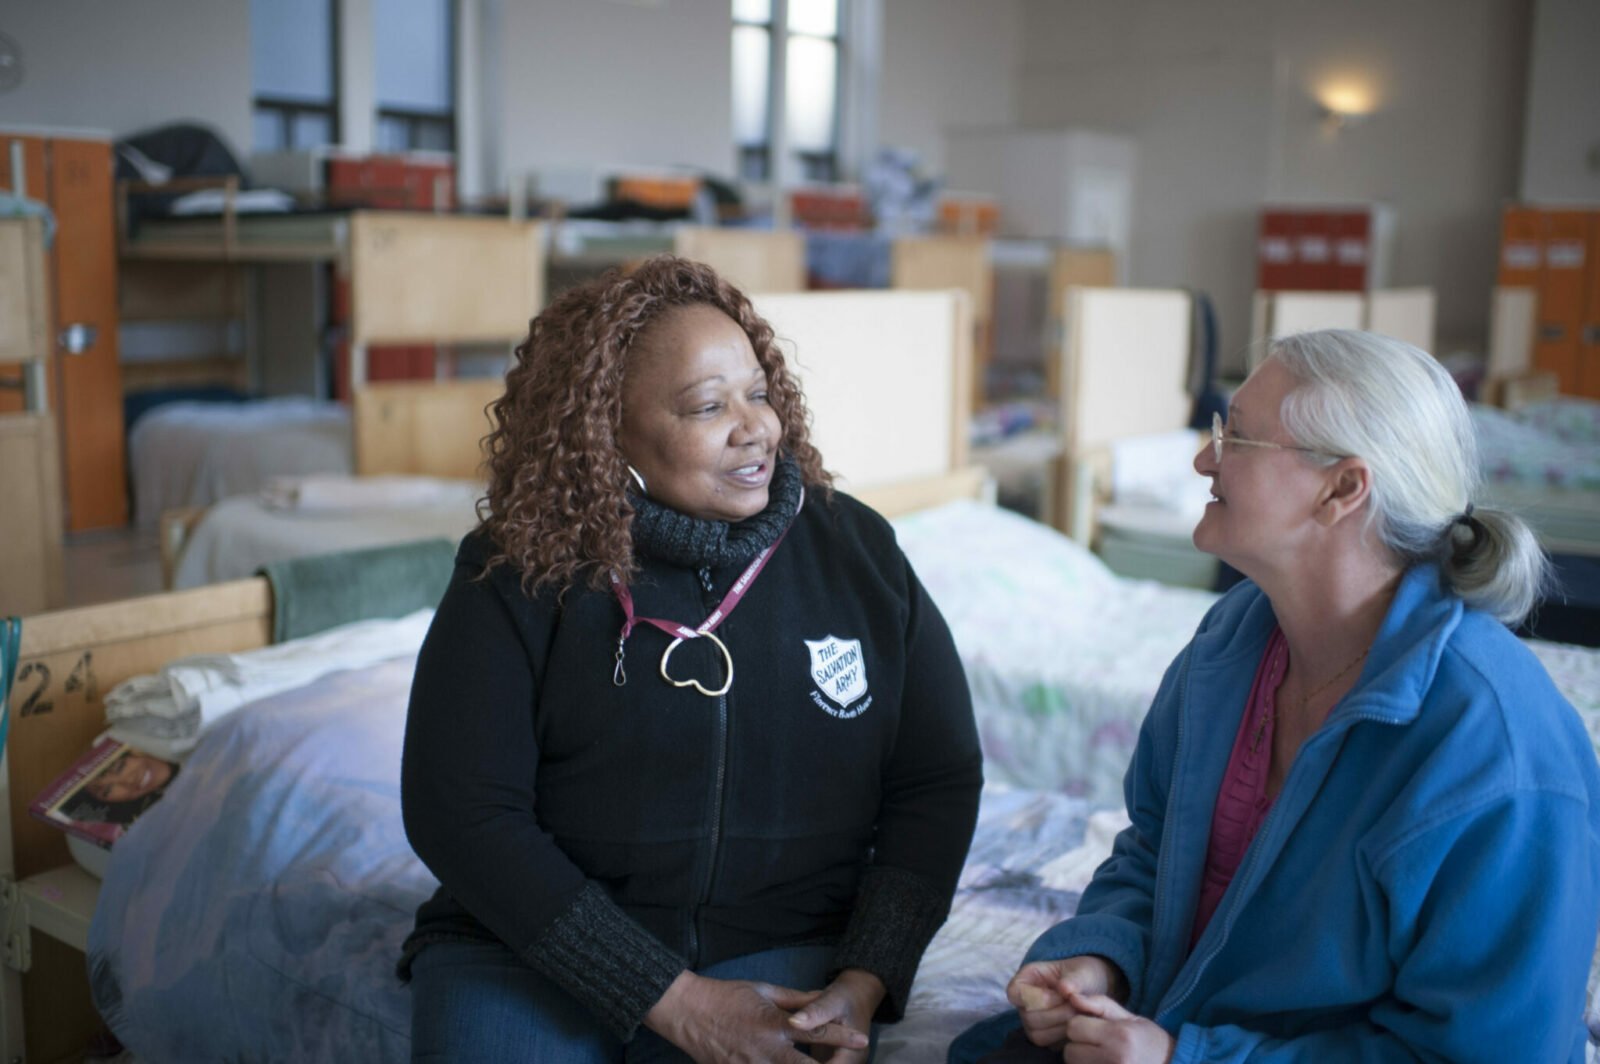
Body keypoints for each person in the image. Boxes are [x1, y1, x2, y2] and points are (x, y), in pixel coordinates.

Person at [952, 329, 1600, 1063]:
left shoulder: (1494, 750)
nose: (1204, 459)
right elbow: (1155, 853)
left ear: (1342, 489)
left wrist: (1185, 1057)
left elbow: (1484, 1053)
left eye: (1237, 437)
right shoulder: (1233, 641)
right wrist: (1103, 958)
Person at [400, 255, 984, 1063]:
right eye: (709, 406)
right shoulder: (522, 568)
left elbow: (937, 779)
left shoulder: (856, 553)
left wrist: (865, 979)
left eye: (759, 393)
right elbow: (461, 812)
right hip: (533, 947)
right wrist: (673, 1002)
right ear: (607, 430)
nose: (756, 428)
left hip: (783, 942)